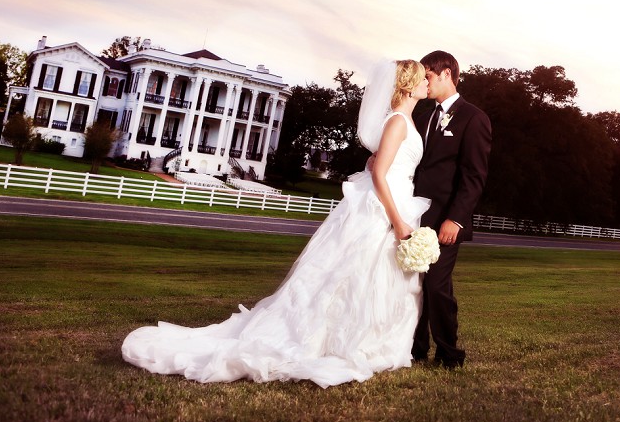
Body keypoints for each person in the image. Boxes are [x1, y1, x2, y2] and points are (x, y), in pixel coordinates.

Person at [121, 60, 431, 387]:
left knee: (373, 276)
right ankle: (341, 342)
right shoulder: (397, 121)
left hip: (397, 199)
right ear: (409, 86)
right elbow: (379, 173)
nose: (428, 84)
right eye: (423, 79)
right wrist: (397, 220)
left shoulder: (405, 122)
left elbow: (379, 166)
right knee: (352, 274)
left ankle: (374, 340)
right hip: (384, 207)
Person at [412, 50, 492, 369]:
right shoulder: (421, 114)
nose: (423, 83)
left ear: (446, 74)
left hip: (447, 218)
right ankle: (416, 348)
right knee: (414, 283)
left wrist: (456, 219)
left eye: (427, 76)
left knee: (436, 284)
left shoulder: (474, 118)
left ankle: (449, 352)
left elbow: (474, 176)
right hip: (414, 213)